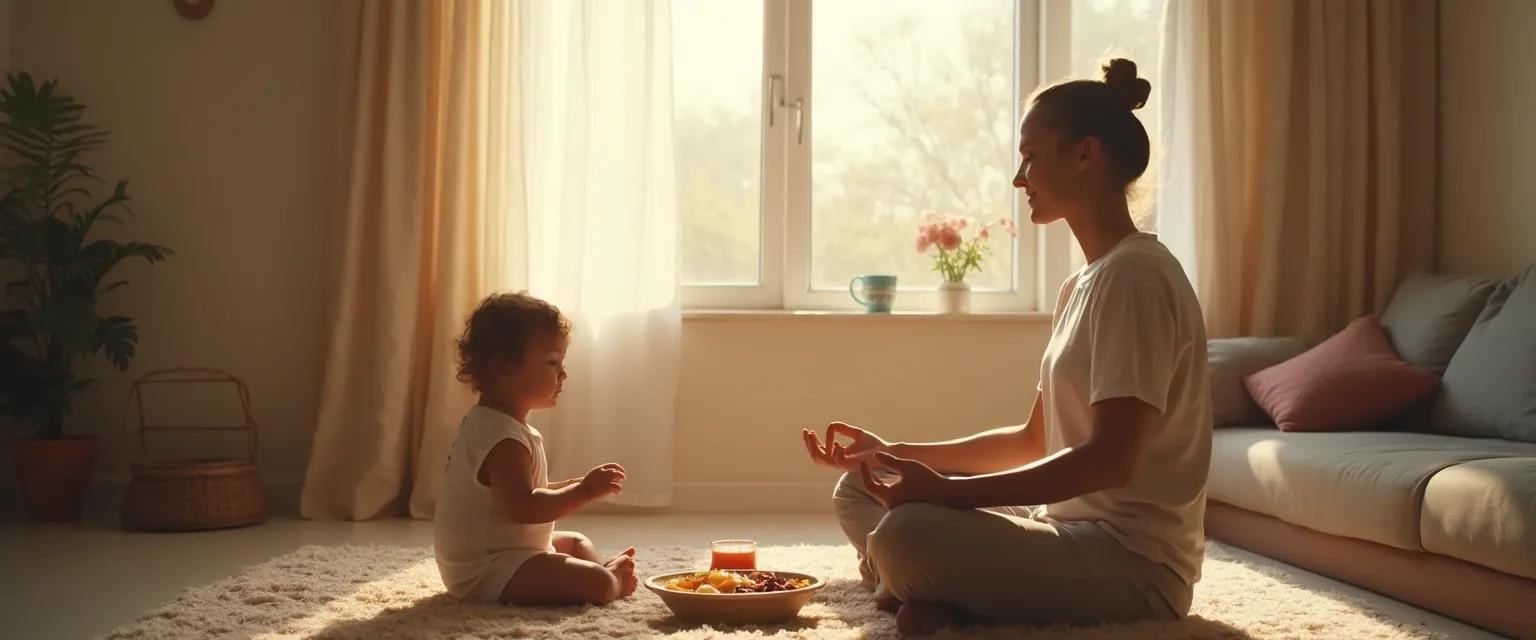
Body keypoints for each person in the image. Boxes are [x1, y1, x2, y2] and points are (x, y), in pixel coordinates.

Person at [802, 58, 1211, 635]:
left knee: (905, 534)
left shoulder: (1136, 277)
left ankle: (914, 581)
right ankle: (928, 589)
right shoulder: (1082, 283)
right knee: (860, 487)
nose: (1020, 178)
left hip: (1133, 565)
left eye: (1030, 157)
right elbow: (1032, 440)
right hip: (1060, 526)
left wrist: (952, 494)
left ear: (1085, 155)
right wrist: (896, 451)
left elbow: (1111, 461)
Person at [434, 292, 639, 605]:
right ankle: (608, 580)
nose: (563, 374)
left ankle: (603, 571)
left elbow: (525, 490)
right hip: (488, 569)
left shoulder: (500, 425)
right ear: (503, 368)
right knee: (595, 583)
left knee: (576, 541)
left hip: (507, 551)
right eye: (552, 362)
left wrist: (572, 484)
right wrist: (583, 491)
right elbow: (524, 507)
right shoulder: (502, 438)